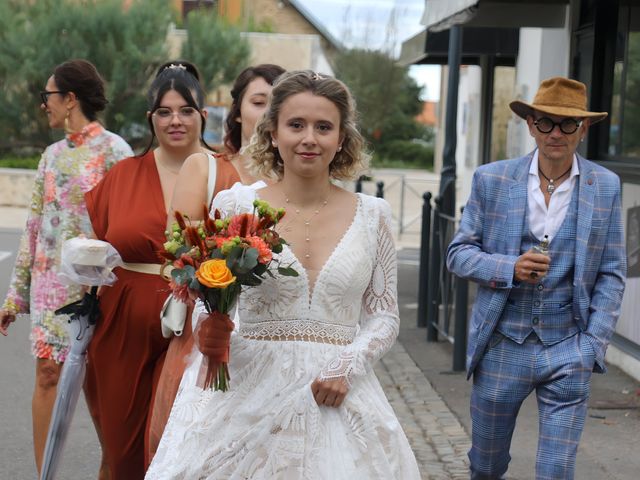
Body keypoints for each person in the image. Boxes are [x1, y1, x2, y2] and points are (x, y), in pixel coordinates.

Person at [145, 70, 421, 479]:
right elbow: (211, 301)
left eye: (323, 127)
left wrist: (347, 363)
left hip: (337, 393)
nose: (309, 138)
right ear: (273, 133)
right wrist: (209, 328)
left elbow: (383, 316)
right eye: (296, 125)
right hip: (246, 389)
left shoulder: (373, 216)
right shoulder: (236, 204)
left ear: (341, 138)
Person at [446, 77, 626, 479]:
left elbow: (613, 271)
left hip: (568, 347)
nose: (555, 133)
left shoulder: (606, 186)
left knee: (556, 470)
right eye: (546, 122)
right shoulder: (492, 179)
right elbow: (458, 254)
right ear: (530, 124)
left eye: (567, 124)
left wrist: (592, 346)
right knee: (486, 465)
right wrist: (508, 267)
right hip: (503, 343)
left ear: (584, 128)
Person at [82, 60, 218, 479]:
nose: (175, 121)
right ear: (150, 118)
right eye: (164, 111)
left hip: (199, 324)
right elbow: (97, 247)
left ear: (203, 116)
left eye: (185, 111)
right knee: (121, 449)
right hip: (123, 323)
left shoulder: (226, 175)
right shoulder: (122, 176)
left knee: (184, 451)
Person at [146, 63, 285, 465]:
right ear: (237, 112)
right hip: (212, 327)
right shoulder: (204, 168)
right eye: (260, 102)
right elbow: (178, 256)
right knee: (202, 454)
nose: (269, 111)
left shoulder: (299, 181)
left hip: (276, 337)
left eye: (281, 103)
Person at [0, 59, 132, 474]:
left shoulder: (117, 152)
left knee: (101, 390)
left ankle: (111, 471)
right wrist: (14, 295)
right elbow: (34, 226)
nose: (44, 106)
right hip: (49, 287)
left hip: (100, 289)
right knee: (45, 375)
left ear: (70, 99)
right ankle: (46, 473)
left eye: (48, 96)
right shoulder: (50, 157)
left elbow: (126, 225)